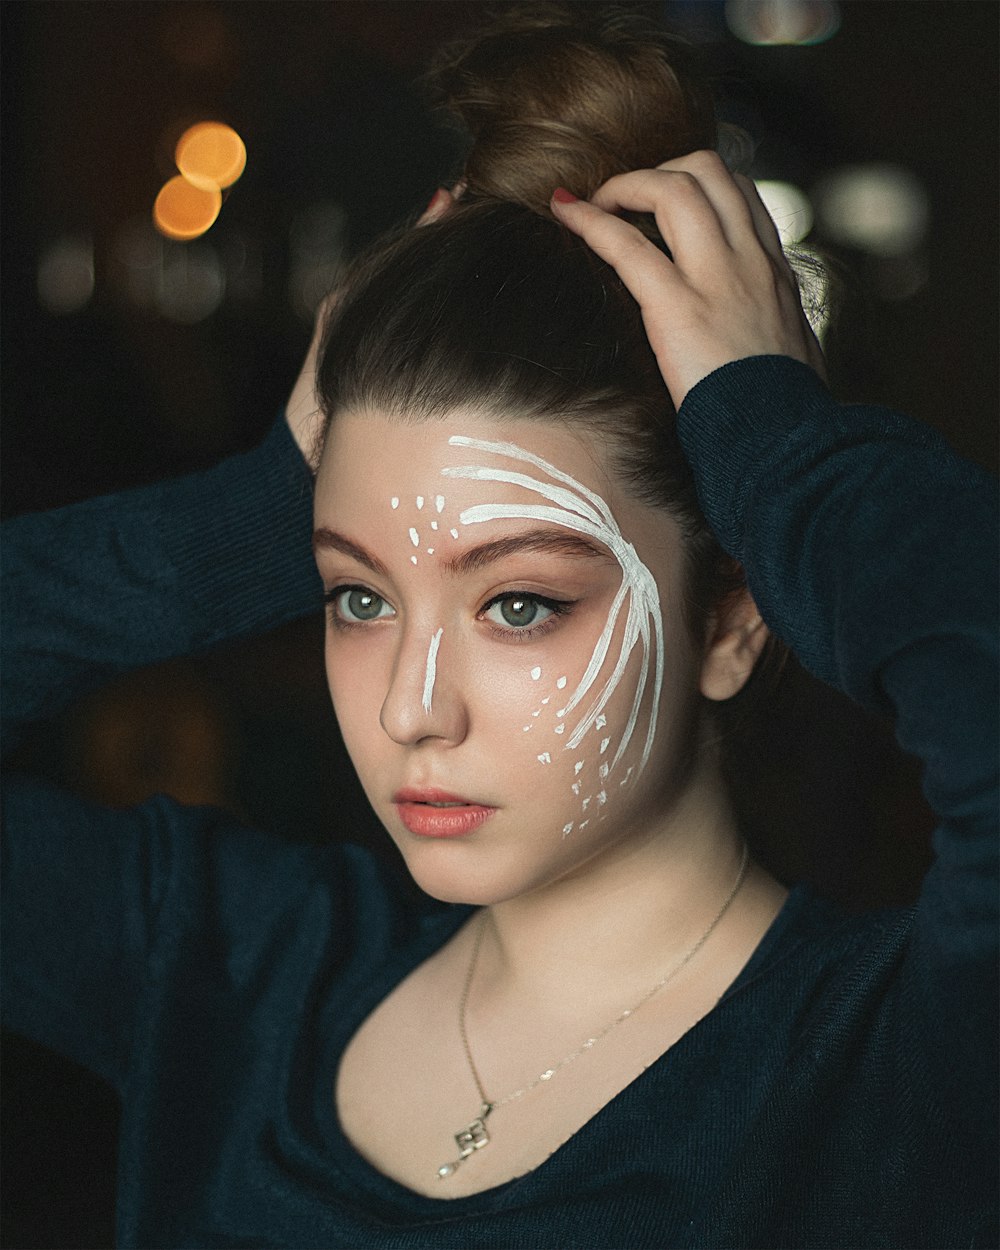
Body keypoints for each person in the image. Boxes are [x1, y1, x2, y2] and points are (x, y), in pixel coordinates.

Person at [3, 6, 996, 1247]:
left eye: (518, 601)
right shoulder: (225, 968)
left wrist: (776, 441)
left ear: (735, 619)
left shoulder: (899, 1074)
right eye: (358, 596)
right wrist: (255, 515)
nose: (413, 707)